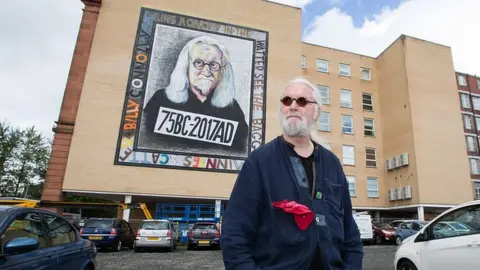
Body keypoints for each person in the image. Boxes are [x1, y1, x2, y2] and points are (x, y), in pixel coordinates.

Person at [220, 78, 363, 270]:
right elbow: (234, 232)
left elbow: (349, 230)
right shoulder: (259, 161)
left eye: (302, 101)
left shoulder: (332, 163)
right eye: (287, 100)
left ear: (317, 112)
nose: (293, 106)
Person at [139, 35, 249, 156]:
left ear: (222, 71)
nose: (206, 72)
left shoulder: (233, 109)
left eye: (213, 65)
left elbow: (241, 151)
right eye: (199, 62)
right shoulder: (161, 99)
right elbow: (144, 140)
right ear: (186, 65)